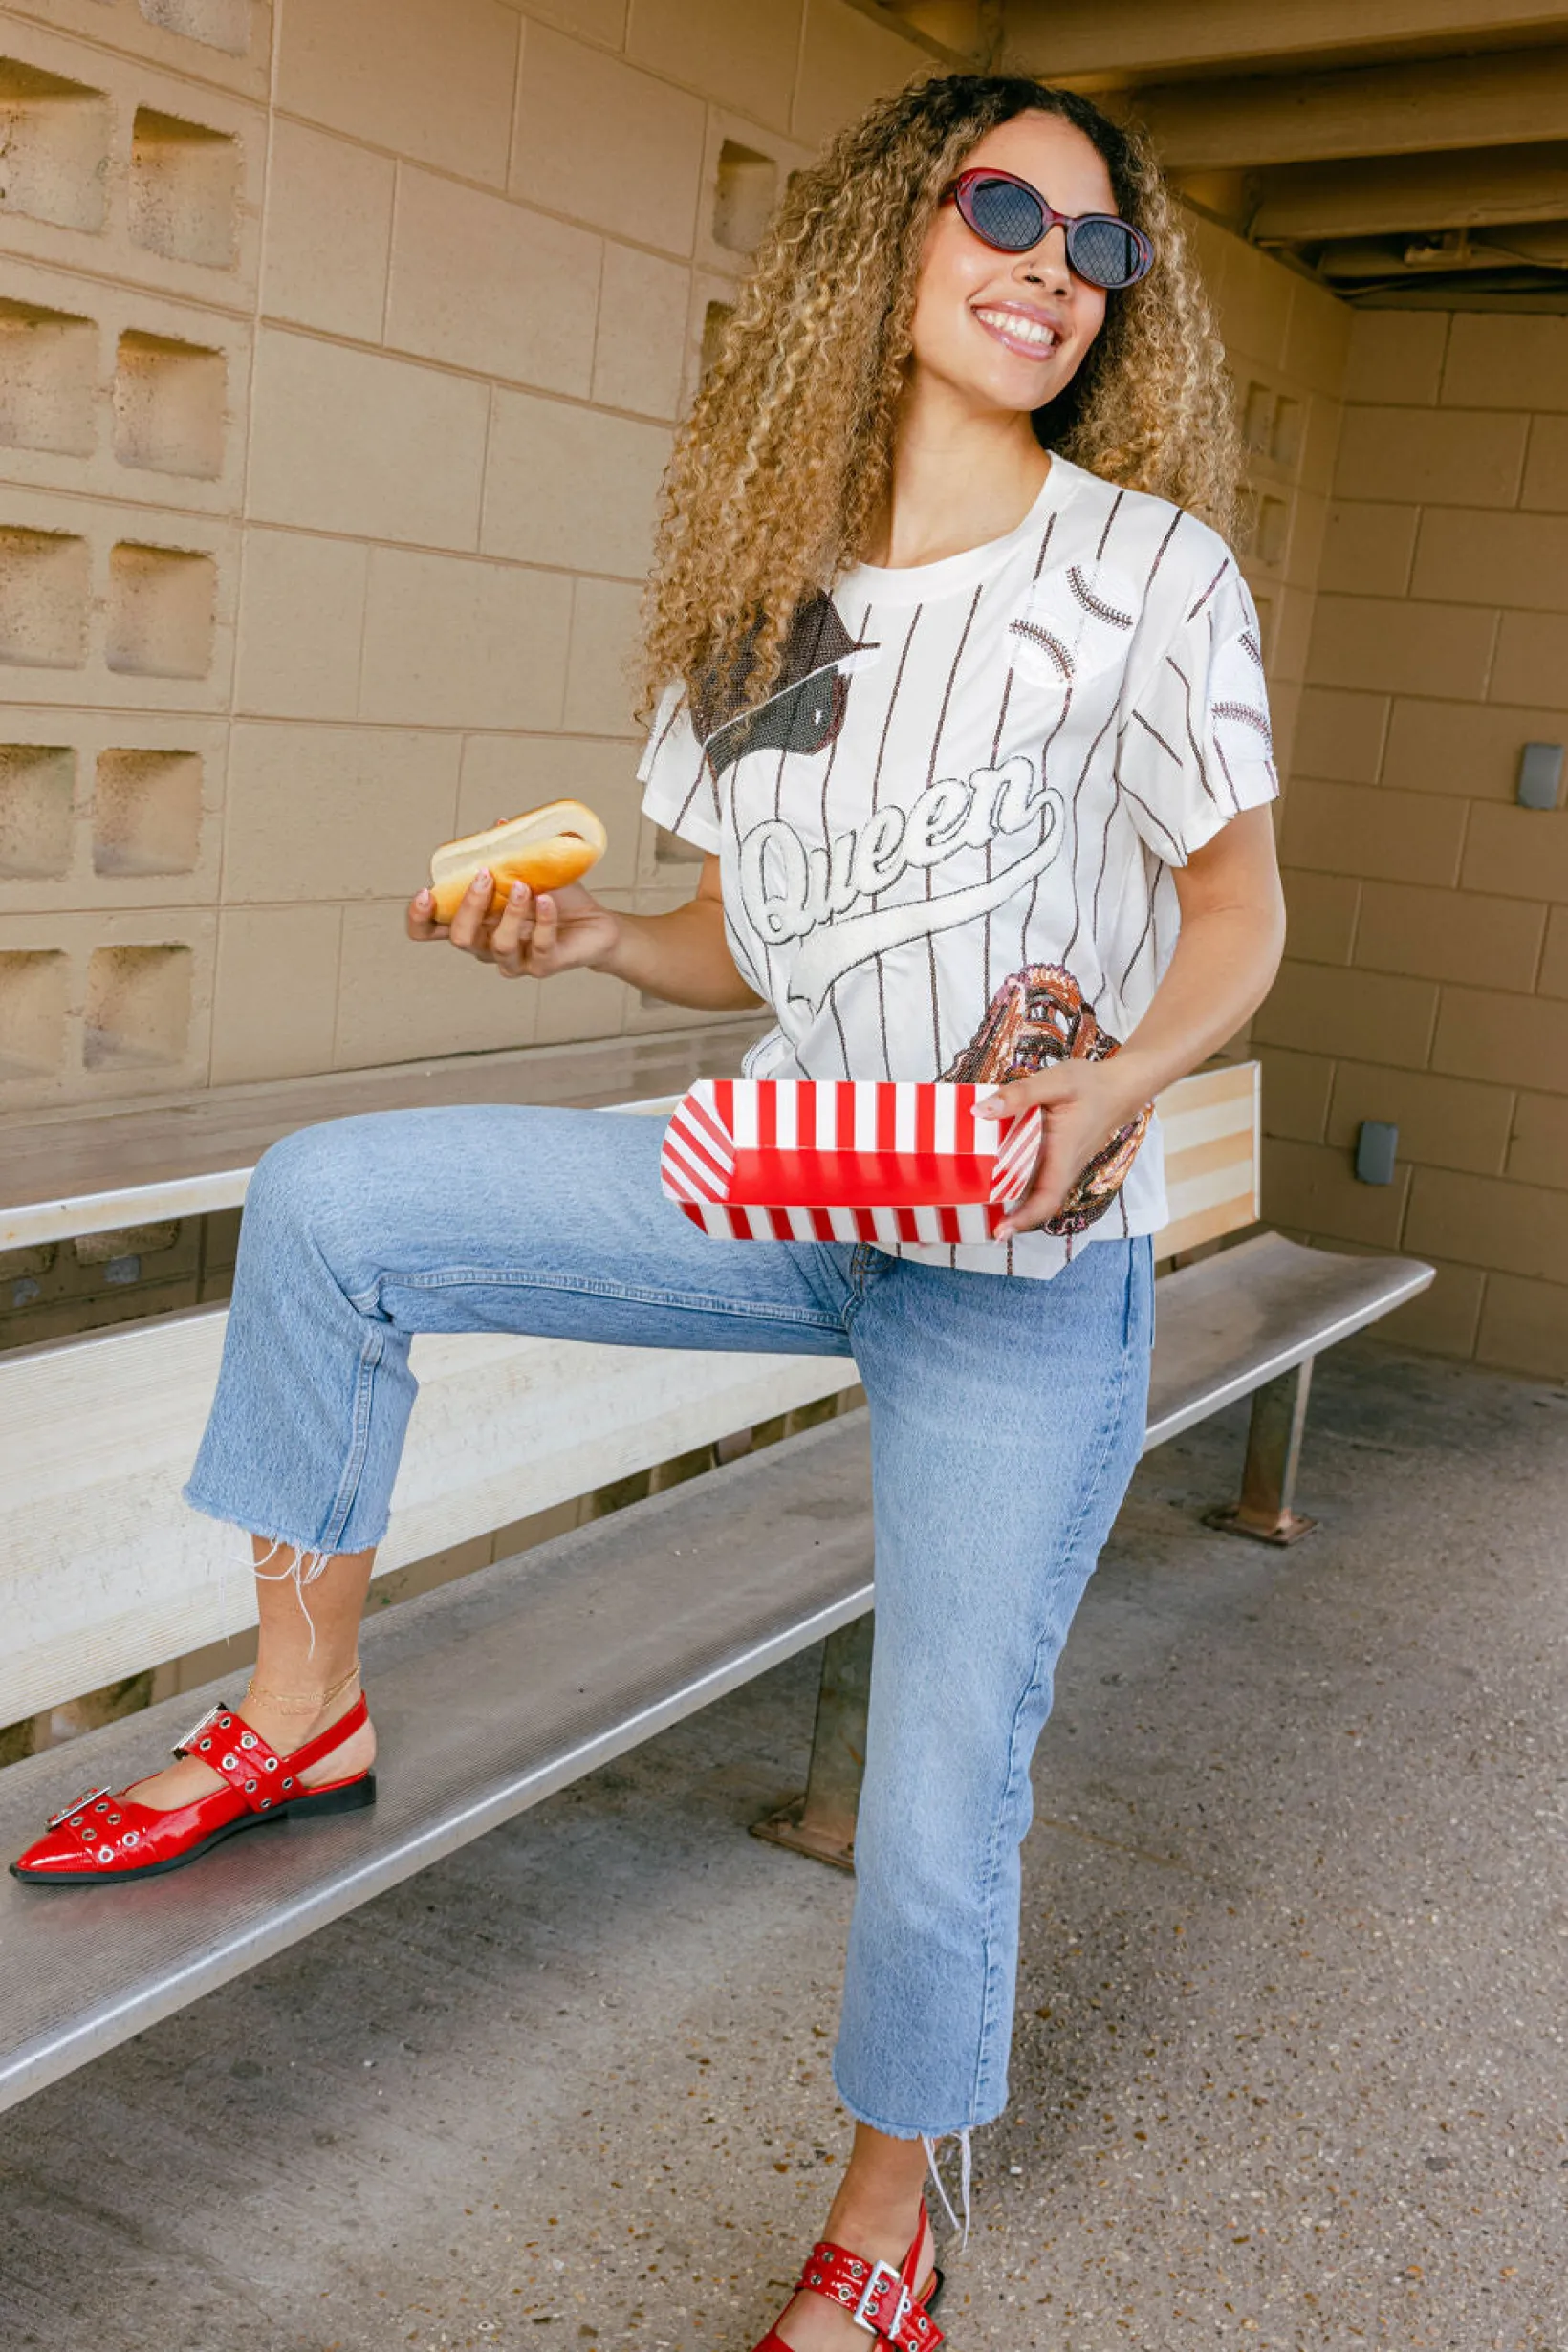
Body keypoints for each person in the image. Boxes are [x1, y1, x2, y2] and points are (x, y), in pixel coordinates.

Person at [14, 72, 1285, 2352]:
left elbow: (1240, 914)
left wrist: (1131, 1078)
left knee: (934, 1785)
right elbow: (740, 938)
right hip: (783, 1181)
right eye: (1006, 209)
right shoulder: (757, 598)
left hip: (1016, 1262)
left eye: (1096, 250)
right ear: (891, 237)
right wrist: (598, 952)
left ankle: (885, 2227)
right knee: (335, 1204)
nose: (1048, 271)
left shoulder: (1144, 578)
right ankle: (304, 1708)